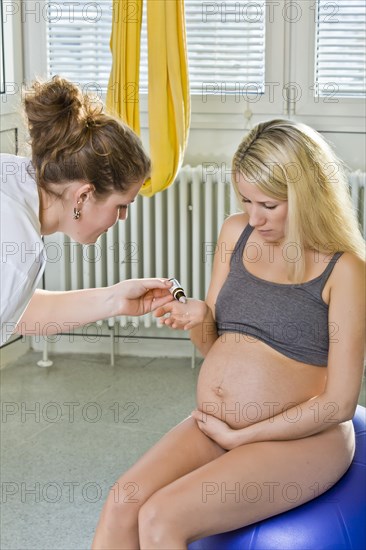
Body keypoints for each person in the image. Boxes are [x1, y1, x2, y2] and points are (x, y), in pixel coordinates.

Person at [92, 119, 365, 549]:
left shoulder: (345, 270)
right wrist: (199, 318)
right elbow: (214, 347)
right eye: (245, 200)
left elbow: (339, 404)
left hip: (301, 440)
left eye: (269, 205)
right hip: (217, 426)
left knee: (163, 520)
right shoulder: (236, 234)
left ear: (308, 195)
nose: (253, 217)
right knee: (122, 503)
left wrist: (243, 437)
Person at [0, 76, 173, 347]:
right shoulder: (18, 247)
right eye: (121, 206)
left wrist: (114, 299)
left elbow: (16, 312)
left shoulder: (12, 177)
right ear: (83, 196)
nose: (123, 217)